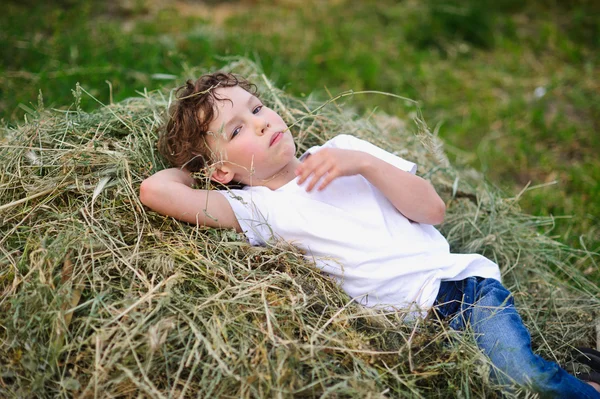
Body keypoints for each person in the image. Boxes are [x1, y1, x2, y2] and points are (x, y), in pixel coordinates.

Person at [139, 72, 600, 398]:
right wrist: (198, 167)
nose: (261, 121)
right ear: (222, 170)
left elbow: (433, 210)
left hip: (463, 291)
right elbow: (155, 190)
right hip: (409, 334)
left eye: (257, 108)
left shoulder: (344, 150)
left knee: (517, 380)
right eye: (237, 128)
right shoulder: (257, 210)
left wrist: (364, 165)